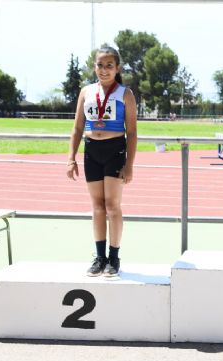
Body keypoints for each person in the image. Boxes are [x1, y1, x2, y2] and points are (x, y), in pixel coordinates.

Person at [66, 46, 138, 277]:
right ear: (94, 66)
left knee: (112, 205)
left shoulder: (125, 94)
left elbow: (133, 132)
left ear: (117, 68)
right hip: (91, 151)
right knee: (97, 207)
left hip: (114, 150)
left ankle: (114, 258)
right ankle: (100, 257)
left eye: (109, 66)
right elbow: (77, 127)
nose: (104, 70)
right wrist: (71, 158)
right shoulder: (86, 91)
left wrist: (129, 164)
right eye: (100, 65)